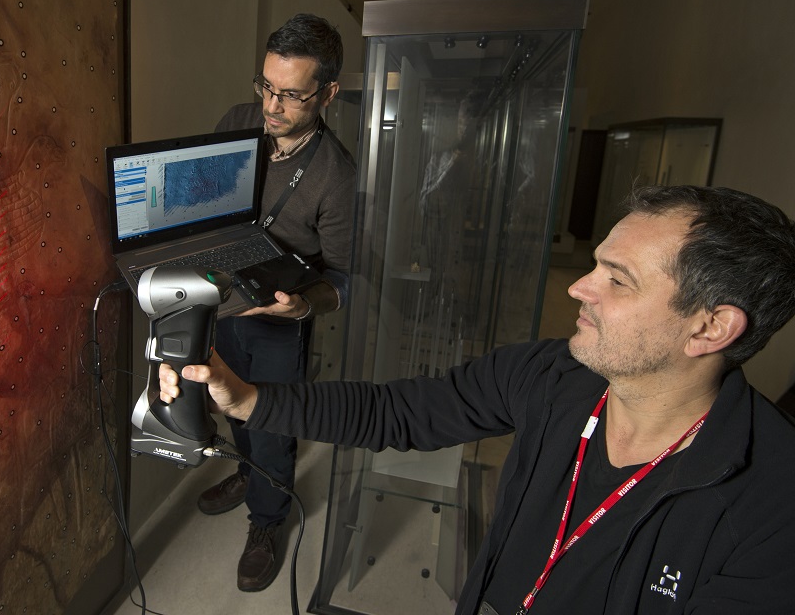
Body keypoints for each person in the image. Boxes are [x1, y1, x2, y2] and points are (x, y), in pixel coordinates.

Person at [163, 185, 795, 614]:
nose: (578, 287)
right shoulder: (550, 376)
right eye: (595, 265)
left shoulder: (773, 512)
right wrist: (246, 400)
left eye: (616, 280)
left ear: (710, 327)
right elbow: (397, 412)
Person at [198, 13, 356, 593]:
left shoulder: (336, 176)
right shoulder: (239, 120)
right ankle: (247, 474)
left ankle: (267, 521)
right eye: (266, 86)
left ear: (329, 93)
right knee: (224, 397)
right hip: (223, 298)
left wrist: (302, 309)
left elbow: (343, 278)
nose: (271, 106)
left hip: (278, 318)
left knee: (269, 424)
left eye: (291, 95)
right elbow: (207, 193)